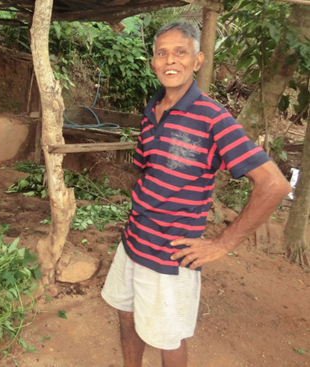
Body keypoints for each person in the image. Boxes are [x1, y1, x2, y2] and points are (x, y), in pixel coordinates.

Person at [101, 21, 291, 367]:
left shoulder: (214, 118)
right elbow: (148, 170)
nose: (170, 60)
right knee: (126, 317)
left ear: (198, 60)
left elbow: (274, 184)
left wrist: (222, 244)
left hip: (172, 256)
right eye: (162, 53)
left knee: (167, 338)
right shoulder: (152, 110)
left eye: (180, 52)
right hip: (132, 241)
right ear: (154, 62)